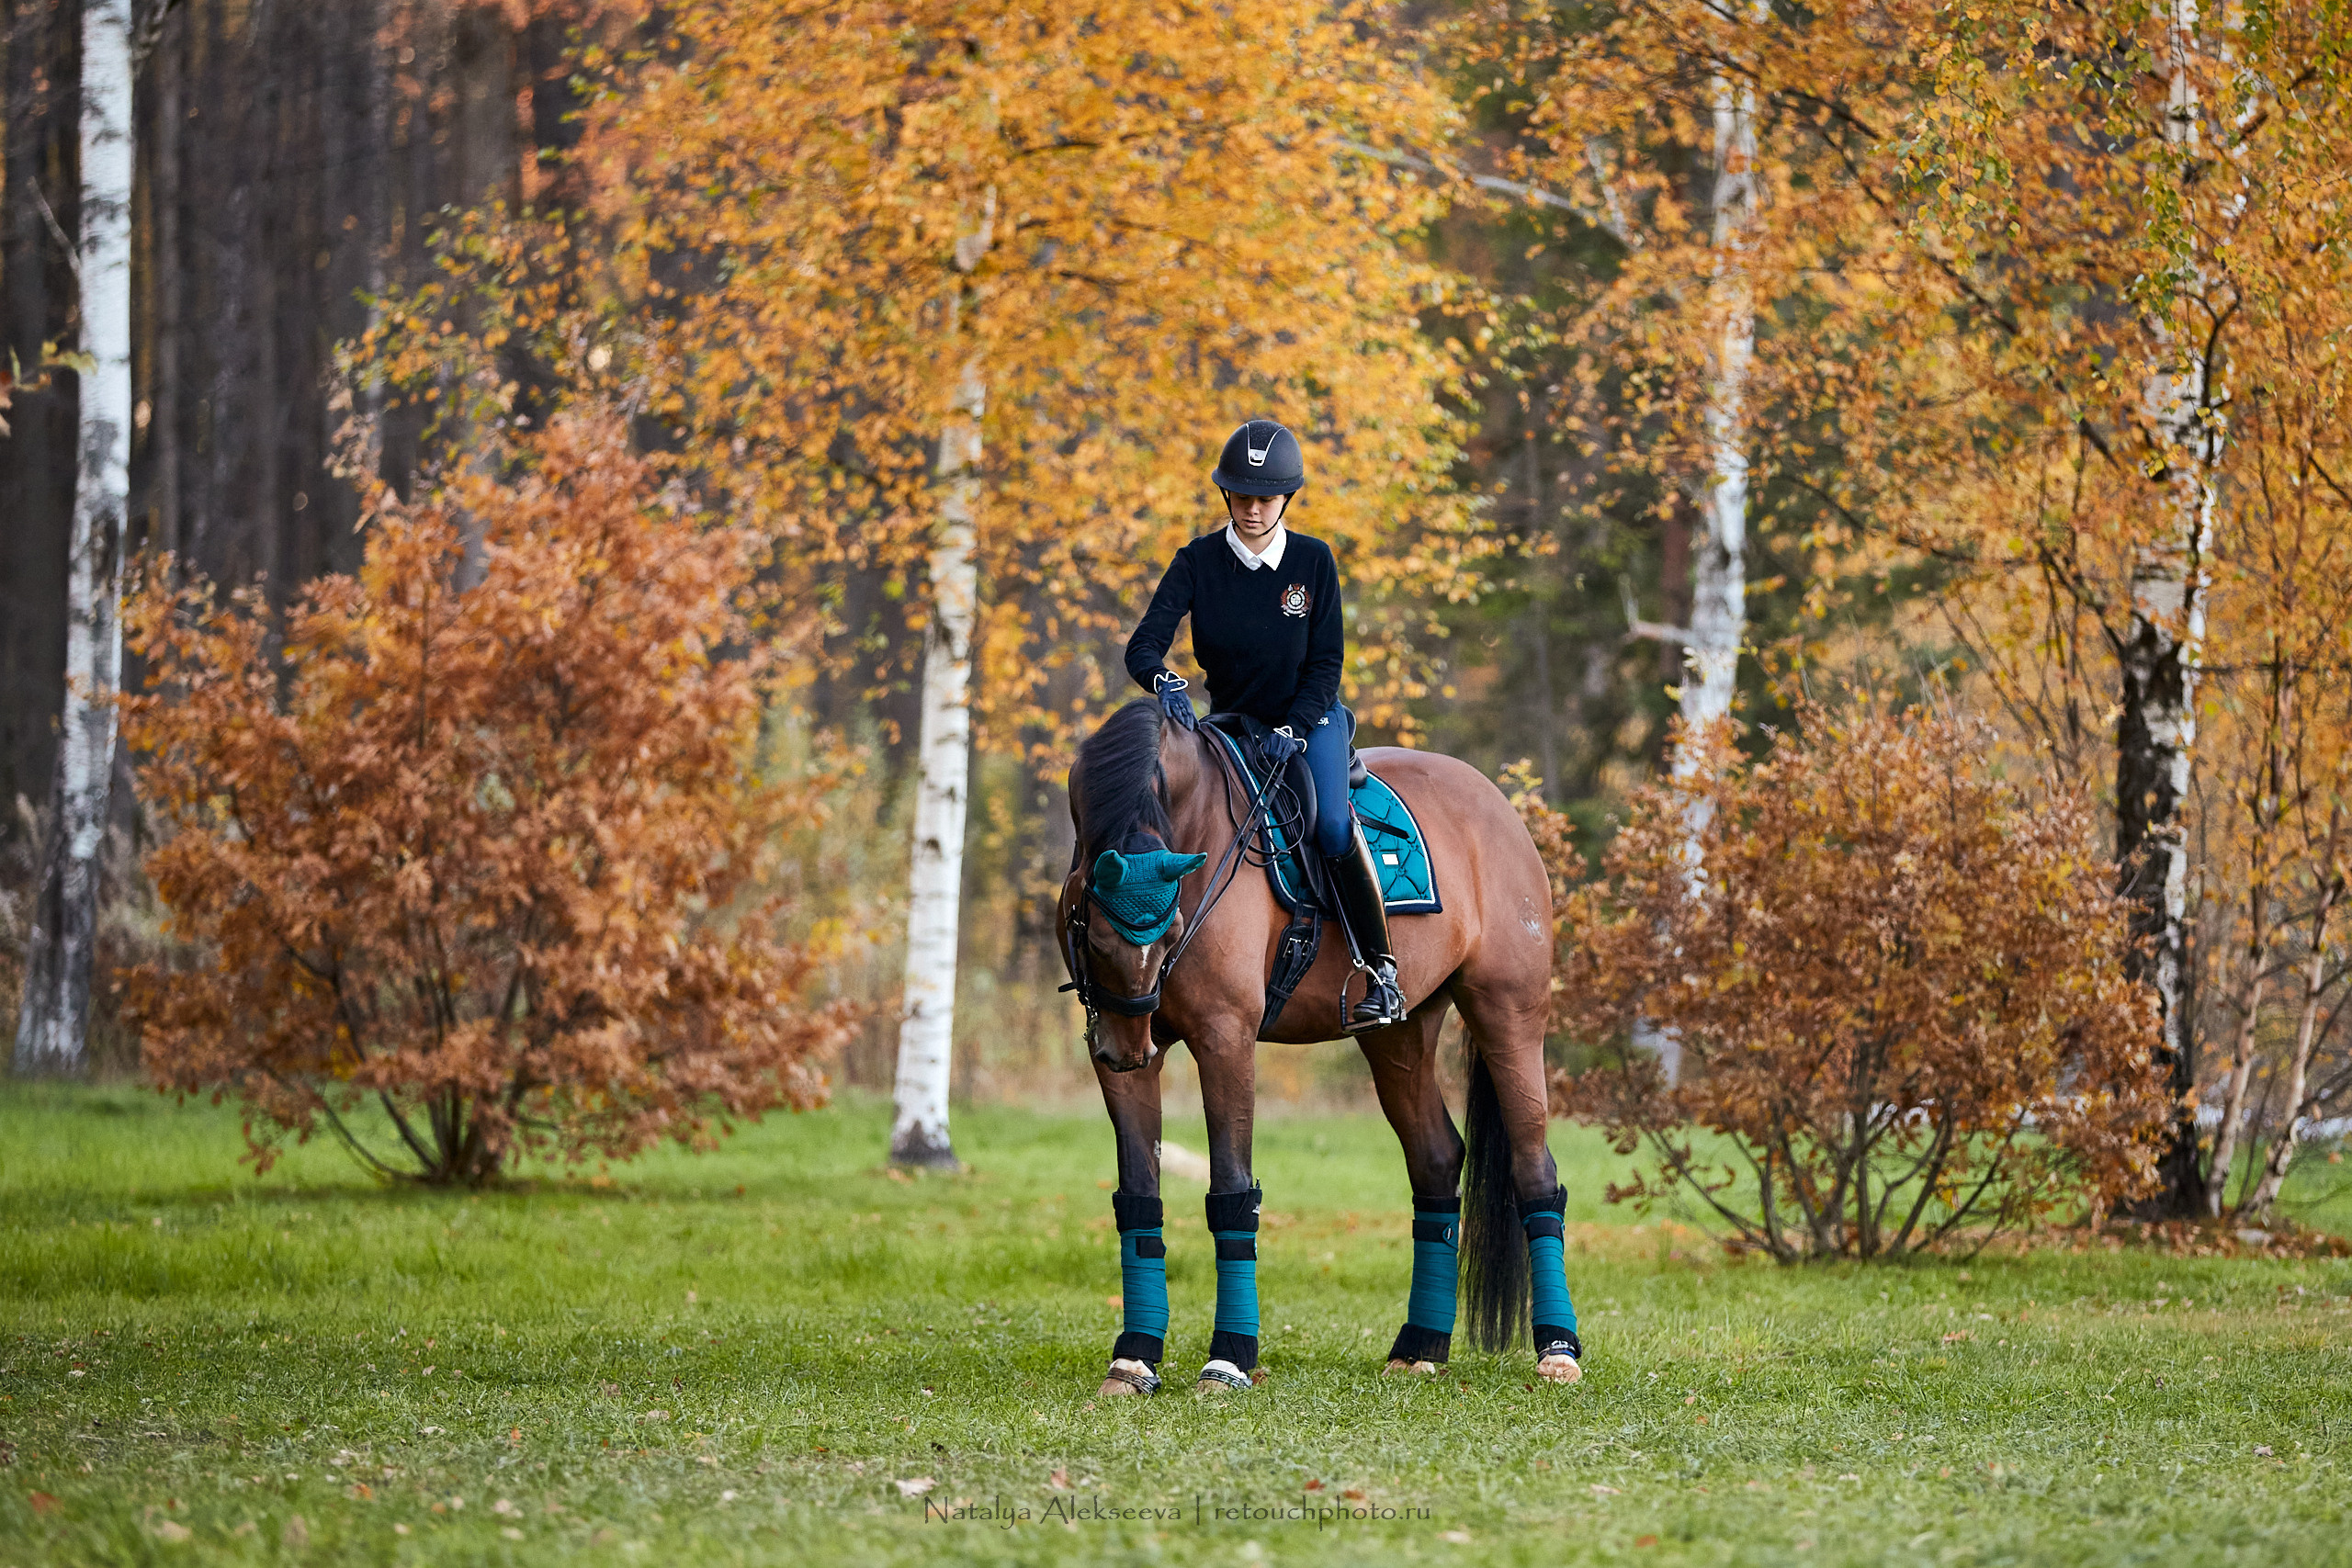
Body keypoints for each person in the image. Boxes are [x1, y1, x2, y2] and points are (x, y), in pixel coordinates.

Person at [1124, 418, 1406, 1031]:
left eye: (1267, 498)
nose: (1253, 510)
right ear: (1227, 495)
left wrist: (1297, 727)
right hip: (1229, 724)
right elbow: (1143, 646)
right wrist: (1164, 681)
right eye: (1243, 496)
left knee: (1331, 824)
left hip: (1310, 719)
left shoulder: (1313, 561)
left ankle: (1381, 970)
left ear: (1287, 499)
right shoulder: (1196, 561)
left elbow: (1326, 663)